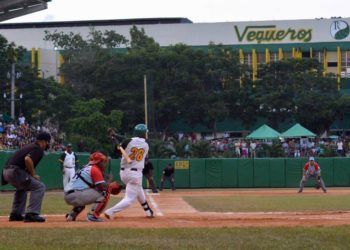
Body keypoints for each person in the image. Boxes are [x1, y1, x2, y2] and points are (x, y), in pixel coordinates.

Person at [104, 124, 154, 219]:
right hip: (135, 174)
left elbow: (118, 151)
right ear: (143, 134)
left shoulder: (127, 141)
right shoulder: (147, 144)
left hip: (124, 173)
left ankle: (148, 211)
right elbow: (132, 140)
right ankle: (110, 212)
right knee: (130, 199)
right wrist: (116, 137)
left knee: (138, 189)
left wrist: (115, 141)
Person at [1, 132, 51, 222]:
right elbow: (27, 159)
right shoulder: (38, 148)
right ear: (43, 141)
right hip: (15, 171)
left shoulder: (29, 146)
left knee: (22, 187)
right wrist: (33, 174)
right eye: (48, 142)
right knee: (39, 187)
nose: (48, 144)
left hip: (6, 171)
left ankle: (16, 214)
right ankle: (32, 214)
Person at [64, 152, 111, 222]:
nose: (104, 164)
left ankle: (71, 216)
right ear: (99, 162)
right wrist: (109, 182)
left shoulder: (86, 167)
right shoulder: (95, 169)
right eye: (103, 162)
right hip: (76, 194)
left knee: (84, 197)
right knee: (105, 192)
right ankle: (93, 216)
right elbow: (102, 187)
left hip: (68, 195)